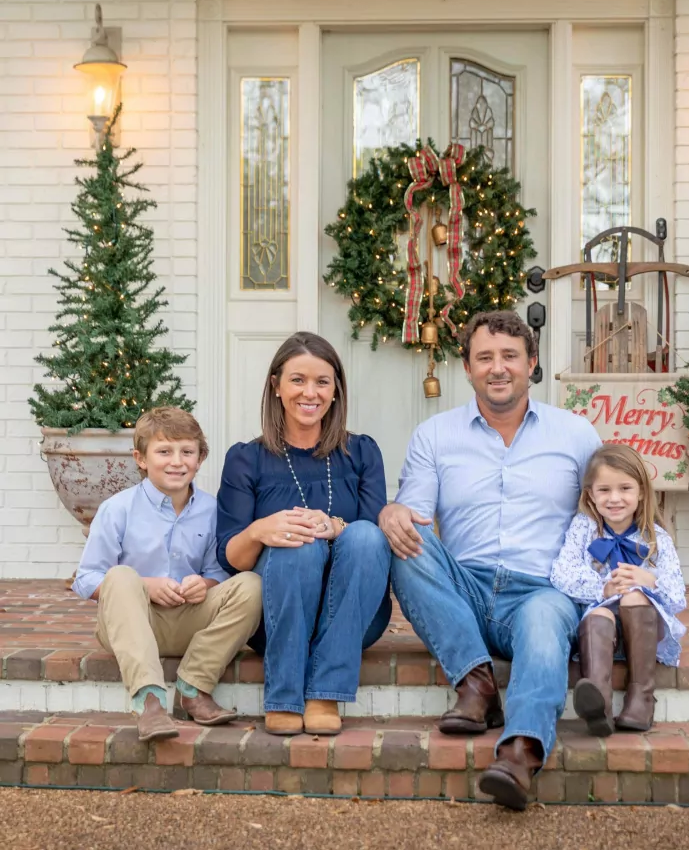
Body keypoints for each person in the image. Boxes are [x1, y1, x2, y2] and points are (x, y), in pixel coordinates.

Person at [381, 310, 602, 811]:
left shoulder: (575, 435)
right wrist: (393, 512)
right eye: (484, 357)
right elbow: (414, 517)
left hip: (541, 592)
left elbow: (606, 515)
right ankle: (476, 685)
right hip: (465, 591)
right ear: (467, 367)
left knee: (544, 623)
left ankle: (520, 753)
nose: (497, 368)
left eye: (509, 356)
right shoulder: (435, 435)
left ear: (531, 363)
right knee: (404, 539)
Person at [216, 332, 392, 738]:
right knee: (298, 544)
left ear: (335, 390)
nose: (310, 393)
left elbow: (373, 543)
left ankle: (325, 693)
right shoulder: (246, 459)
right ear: (276, 386)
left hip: (353, 616)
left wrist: (334, 526)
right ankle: (284, 695)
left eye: (322, 382)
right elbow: (231, 559)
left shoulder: (362, 453)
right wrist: (260, 530)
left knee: (365, 537)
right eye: (298, 380)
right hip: (275, 621)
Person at [73, 407, 263, 742]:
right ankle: (150, 701)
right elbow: (87, 578)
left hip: (190, 621)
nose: (177, 462)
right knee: (121, 575)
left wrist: (204, 583)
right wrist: (144, 585)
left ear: (200, 458)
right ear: (141, 459)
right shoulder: (117, 509)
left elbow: (217, 569)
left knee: (251, 584)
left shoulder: (212, 510)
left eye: (187, 452)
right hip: (132, 622)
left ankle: (194, 688)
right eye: (164, 451)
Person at [550, 444, 687, 736]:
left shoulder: (656, 538)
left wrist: (650, 581)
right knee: (598, 612)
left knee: (635, 595)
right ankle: (598, 702)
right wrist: (604, 588)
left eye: (625, 488)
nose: (614, 498)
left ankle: (641, 698)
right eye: (604, 490)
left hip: (643, 636)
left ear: (641, 492)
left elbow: (677, 595)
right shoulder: (584, 528)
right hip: (600, 637)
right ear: (591, 495)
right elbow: (561, 574)